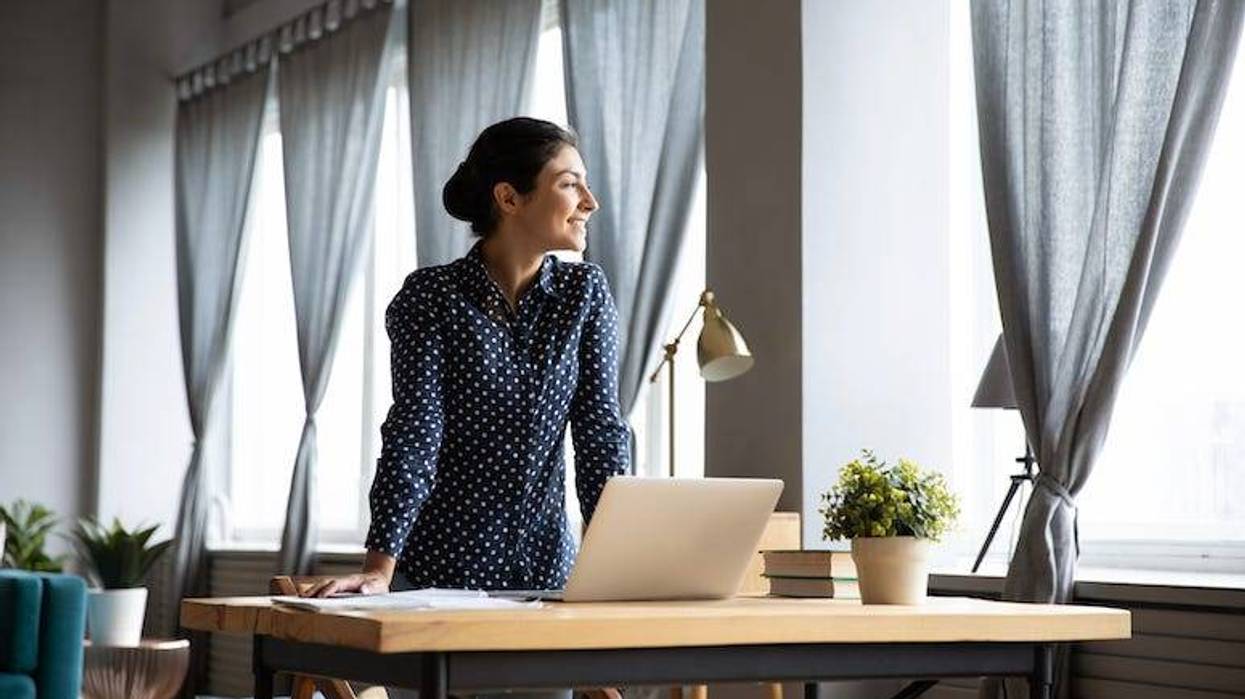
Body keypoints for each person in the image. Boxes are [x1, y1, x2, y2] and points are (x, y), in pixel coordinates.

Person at [308, 117, 631, 599]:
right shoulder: (432, 297)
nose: (590, 201)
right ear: (509, 198)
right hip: (437, 578)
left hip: (545, 579)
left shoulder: (583, 293)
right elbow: (415, 432)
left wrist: (619, 566)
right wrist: (379, 568)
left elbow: (599, 433)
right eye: (569, 184)